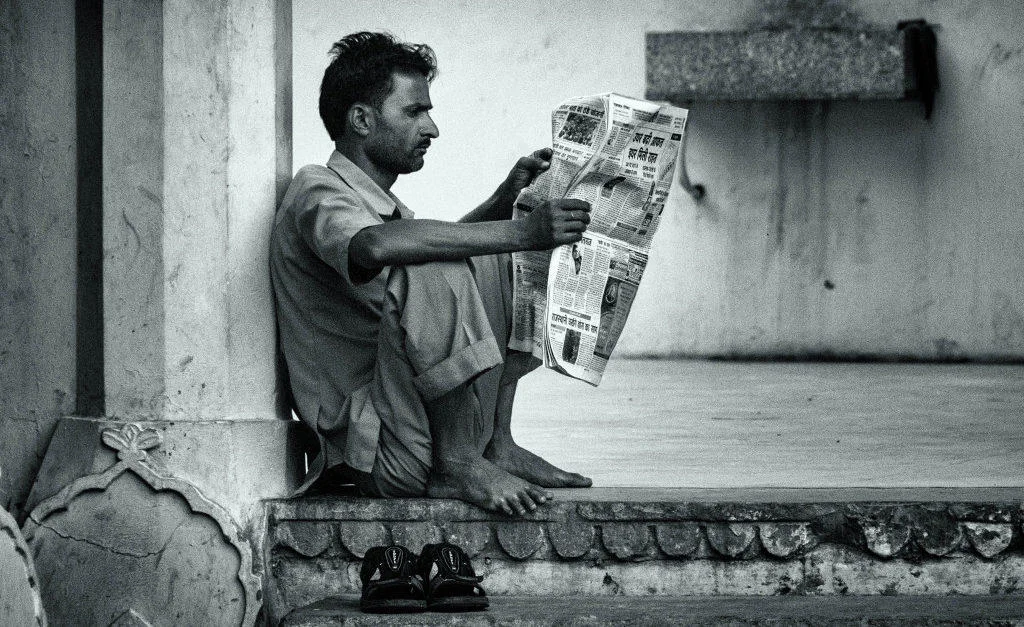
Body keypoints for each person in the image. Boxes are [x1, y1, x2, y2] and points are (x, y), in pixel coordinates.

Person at [270, 32, 593, 517]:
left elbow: (436, 263)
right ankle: (458, 461)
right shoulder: (316, 187)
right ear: (361, 119)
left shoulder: (384, 208)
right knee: (441, 253)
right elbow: (379, 248)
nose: (432, 128)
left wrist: (505, 203)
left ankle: (496, 443)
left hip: (411, 422)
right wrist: (523, 231)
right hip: (376, 446)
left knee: (495, 256)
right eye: (414, 111)